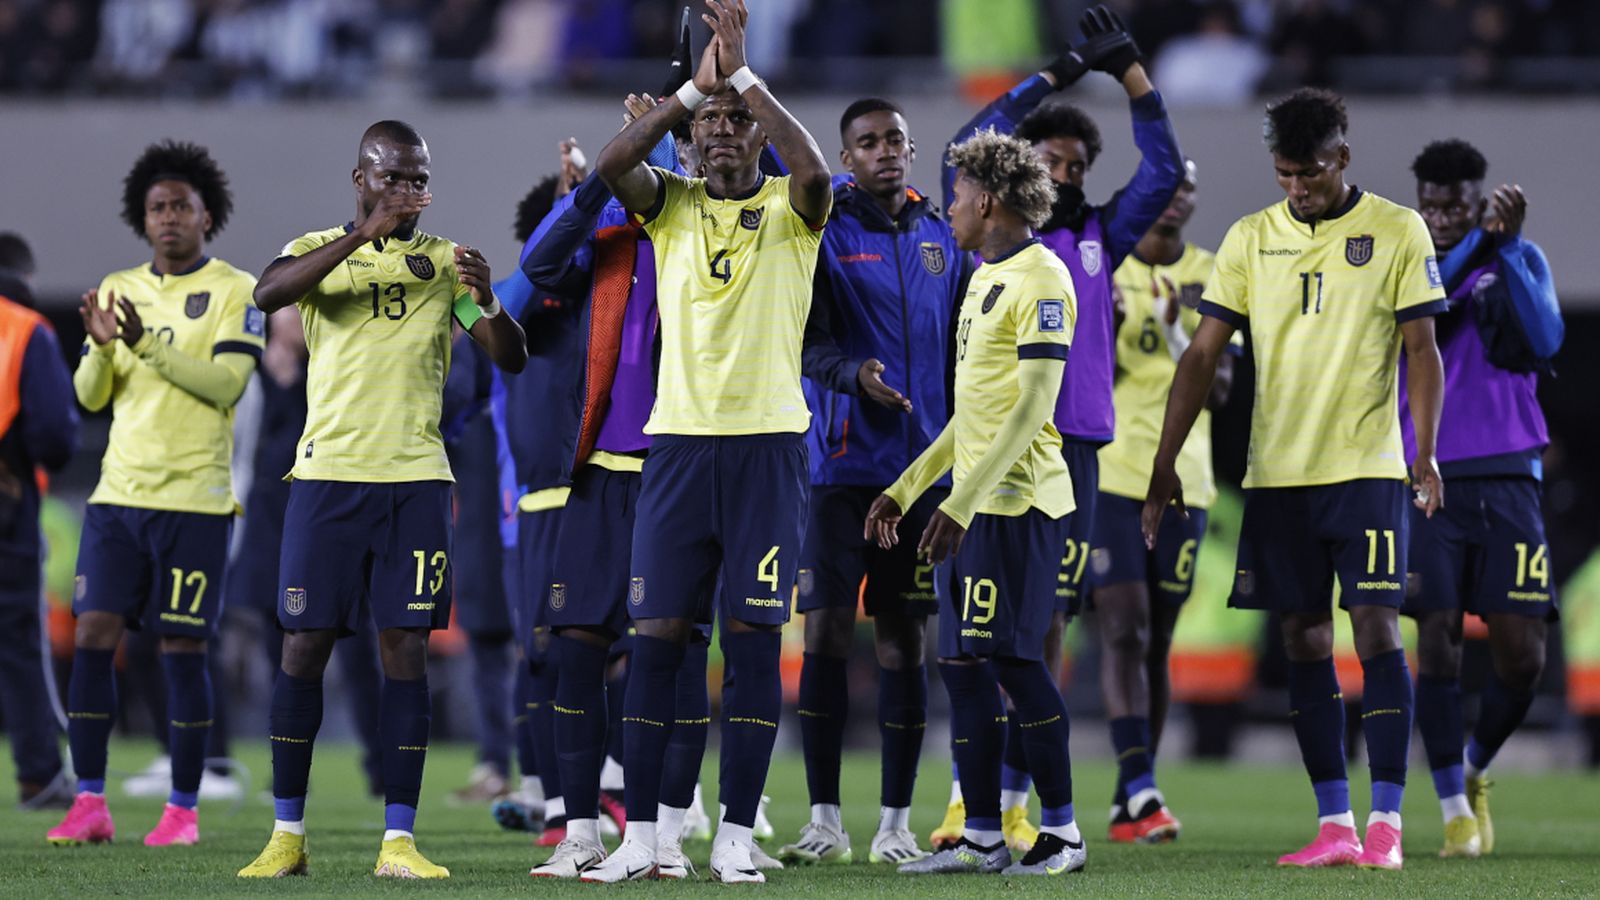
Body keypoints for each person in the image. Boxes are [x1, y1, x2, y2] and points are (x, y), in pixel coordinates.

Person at [1142, 88, 1448, 871]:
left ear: (1342, 157)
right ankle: (1334, 824)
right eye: (1284, 173)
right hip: (1278, 475)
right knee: (1301, 635)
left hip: (1367, 467)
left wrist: (1425, 451)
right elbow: (1202, 354)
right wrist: (1164, 461)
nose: (1297, 187)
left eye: (1309, 172)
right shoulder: (1251, 238)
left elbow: (1422, 349)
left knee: (1375, 628)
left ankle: (1386, 825)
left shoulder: (1397, 229)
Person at [237, 120, 527, 880]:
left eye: (418, 178)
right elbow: (268, 293)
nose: (407, 190)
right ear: (360, 179)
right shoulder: (315, 251)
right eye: (392, 176)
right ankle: (287, 836)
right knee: (303, 647)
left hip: (417, 482)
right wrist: (362, 237)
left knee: (405, 652)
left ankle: (399, 841)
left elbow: (511, 357)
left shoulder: (445, 264)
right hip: (327, 478)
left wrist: (490, 303)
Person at [586, 0, 831, 882]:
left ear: (759, 132)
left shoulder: (793, 209)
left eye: (738, 119)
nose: (724, 130)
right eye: (711, 122)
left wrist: (743, 74)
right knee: (655, 639)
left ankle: (733, 836)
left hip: (767, 450)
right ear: (689, 140)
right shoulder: (671, 206)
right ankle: (644, 839)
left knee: (755, 642)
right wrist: (694, 89)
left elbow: (816, 169)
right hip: (680, 451)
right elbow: (612, 165)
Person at [936, 4, 1182, 850]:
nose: (1068, 173)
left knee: (1040, 629)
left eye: (1079, 164)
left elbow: (1166, 167)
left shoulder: (1100, 236)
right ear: (1023, 168)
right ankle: (975, 806)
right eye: (1053, 159)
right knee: (972, 635)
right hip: (985, 445)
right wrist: (1059, 72)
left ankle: (1015, 804)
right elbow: (967, 142)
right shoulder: (989, 243)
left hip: (1068, 453)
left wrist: (1133, 74)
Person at [868, 126, 1084, 878]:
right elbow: (973, 417)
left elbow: (1031, 409)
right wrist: (904, 489)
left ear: (988, 201)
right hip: (975, 501)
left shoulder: (1043, 278)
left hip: (1018, 506)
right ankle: (984, 835)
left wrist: (961, 502)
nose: (950, 207)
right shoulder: (984, 277)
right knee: (960, 663)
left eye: (957, 195)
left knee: (1016, 661)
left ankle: (1063, 834)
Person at [52, 141, 263, 848]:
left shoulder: (236, 290)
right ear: (142, 220)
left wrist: (145, 345)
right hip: (119, 498)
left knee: (182, 649)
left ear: (208, 215)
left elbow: (226, 385)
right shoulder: (118, 287)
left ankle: (182, 811)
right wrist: (102, 347)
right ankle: (89, 802)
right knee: (92, 635)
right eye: (157, 208)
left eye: (181, 206)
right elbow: (91, 397)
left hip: (195, 502)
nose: (168, 217)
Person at [778, 96, 968, 867]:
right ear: (846, 157)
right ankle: (824, 820)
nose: (885, 150)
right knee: (824, 629)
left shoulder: (942, 235)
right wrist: (853, 376)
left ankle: (895, 825)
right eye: (868, 142)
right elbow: (805, 342)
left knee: (903, 638)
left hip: (920, 473)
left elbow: (963, 347)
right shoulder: (825, 231)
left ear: (911, 149)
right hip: (839, 467)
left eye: (895, 139)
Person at [1402, 139, 1562, 859]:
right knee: (1435, 637)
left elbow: (1545, 339)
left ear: (1477, 203)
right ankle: (1453, 810)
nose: (1441, 218)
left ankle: (1475, 766)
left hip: (1508, 474)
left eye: (1456, 208)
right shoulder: (1404, 265)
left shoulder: (1518, 256)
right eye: (1431, 207)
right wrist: (1480, 244)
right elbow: (1428, 300)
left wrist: (1510, 249)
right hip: (1427, 472)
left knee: (1523, 658)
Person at [1093, 159, 1235, 842]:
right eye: (1167, 186)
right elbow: (1079, 375)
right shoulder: (1106, 268)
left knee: (1158, 642)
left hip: (1184, 480)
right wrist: (1104, 328)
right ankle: (1144, 786)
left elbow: (1223, 388)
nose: (1177, 198)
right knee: (1125, 628)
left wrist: (1183, 336)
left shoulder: (1213, 272)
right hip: (1113, 473)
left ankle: (1130, 799)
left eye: (1188, 187)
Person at [225, 303, 387, 799]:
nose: (293, 324)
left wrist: (293, 382)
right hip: (271, 526)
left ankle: (380, 766)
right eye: (285, 316)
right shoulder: (252, 373)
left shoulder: (332, 364)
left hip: (330, 517)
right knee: (282, 655)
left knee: (357, 651)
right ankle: (288, 770)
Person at [0, 233, 78, 811]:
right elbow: (55, 437)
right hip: (8, 509)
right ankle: (40, 777)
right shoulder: (26, 329)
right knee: (19, 643)